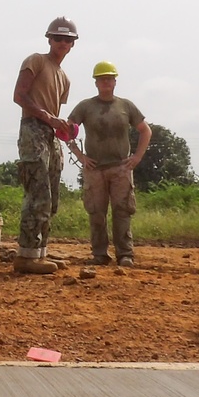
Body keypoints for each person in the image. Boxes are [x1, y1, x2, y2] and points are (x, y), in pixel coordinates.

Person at [66, 61, 151, 267]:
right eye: (102, 79)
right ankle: (99, 254)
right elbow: (67, 131)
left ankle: (125, 254)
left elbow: (145, 130)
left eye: (109, 78)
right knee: (96, 213)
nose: (106, 82)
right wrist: (80, 156)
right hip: (94, 170)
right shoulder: (85, 107)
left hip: (121, 168)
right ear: (96, 82)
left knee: (122, 211)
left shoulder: (126, 106)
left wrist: (137, 157)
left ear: (115, 81)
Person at [11, 16, 78, 274]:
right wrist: (49, 118)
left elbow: (54, 108)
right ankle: (26, 255)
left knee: (51, 196)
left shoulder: (64, 78)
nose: (62, 43)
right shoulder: (36, 61)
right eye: (58, 38)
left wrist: (59, 126)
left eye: (67, 39)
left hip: (49, 133)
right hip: (33, 129)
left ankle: (40, 252)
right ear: (49, 39)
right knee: (37, 193)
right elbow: (19, 95)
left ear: (73, 44)